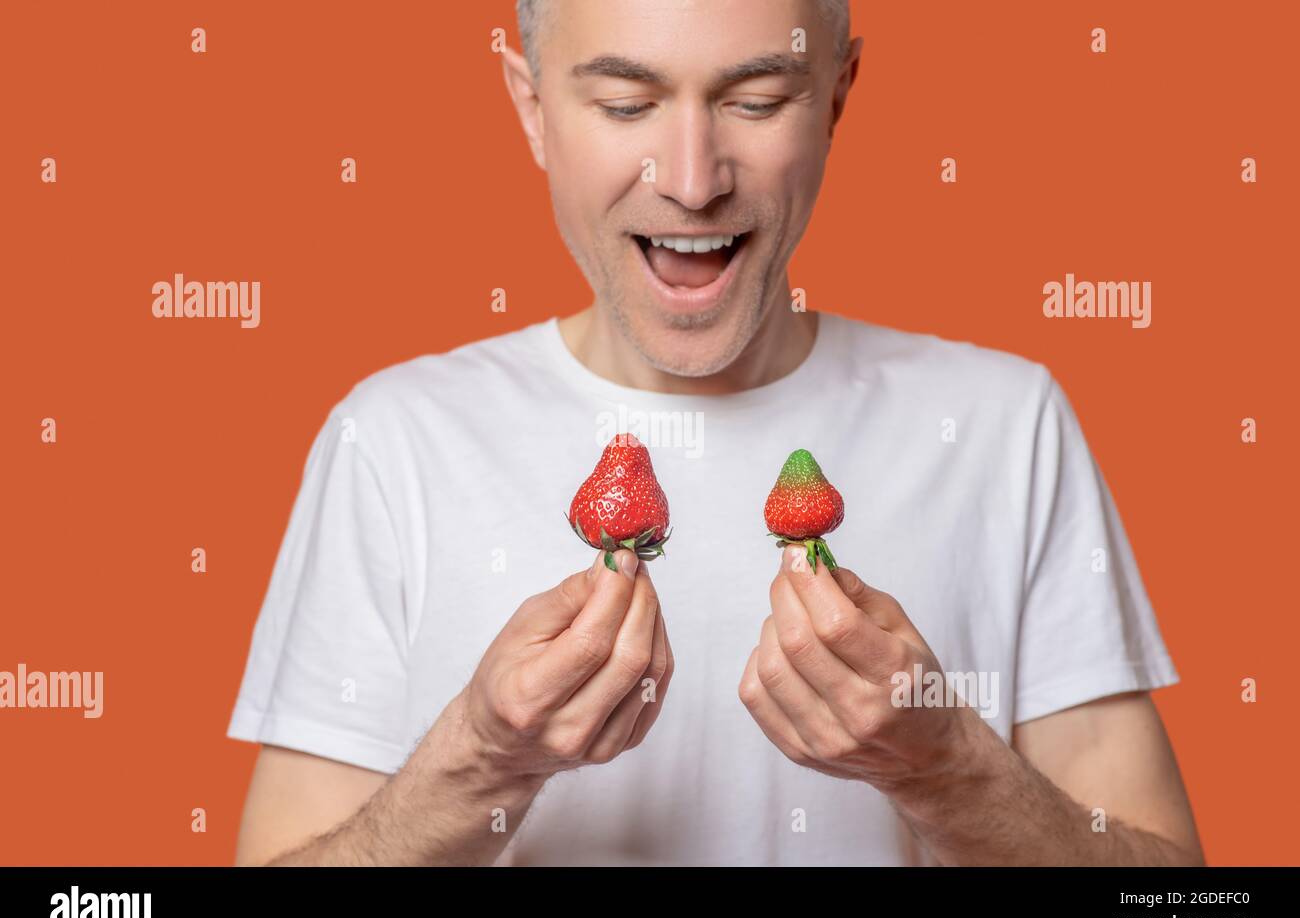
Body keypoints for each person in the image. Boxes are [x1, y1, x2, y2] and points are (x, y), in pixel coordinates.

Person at [227, 0, 1203, 865]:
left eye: (756, 99)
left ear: (837, 97)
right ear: (530, 107)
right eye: (624, 105)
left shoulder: (1005, 422)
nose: (691, 181)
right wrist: (480, 760)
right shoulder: (393, 440)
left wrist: (945, 768)